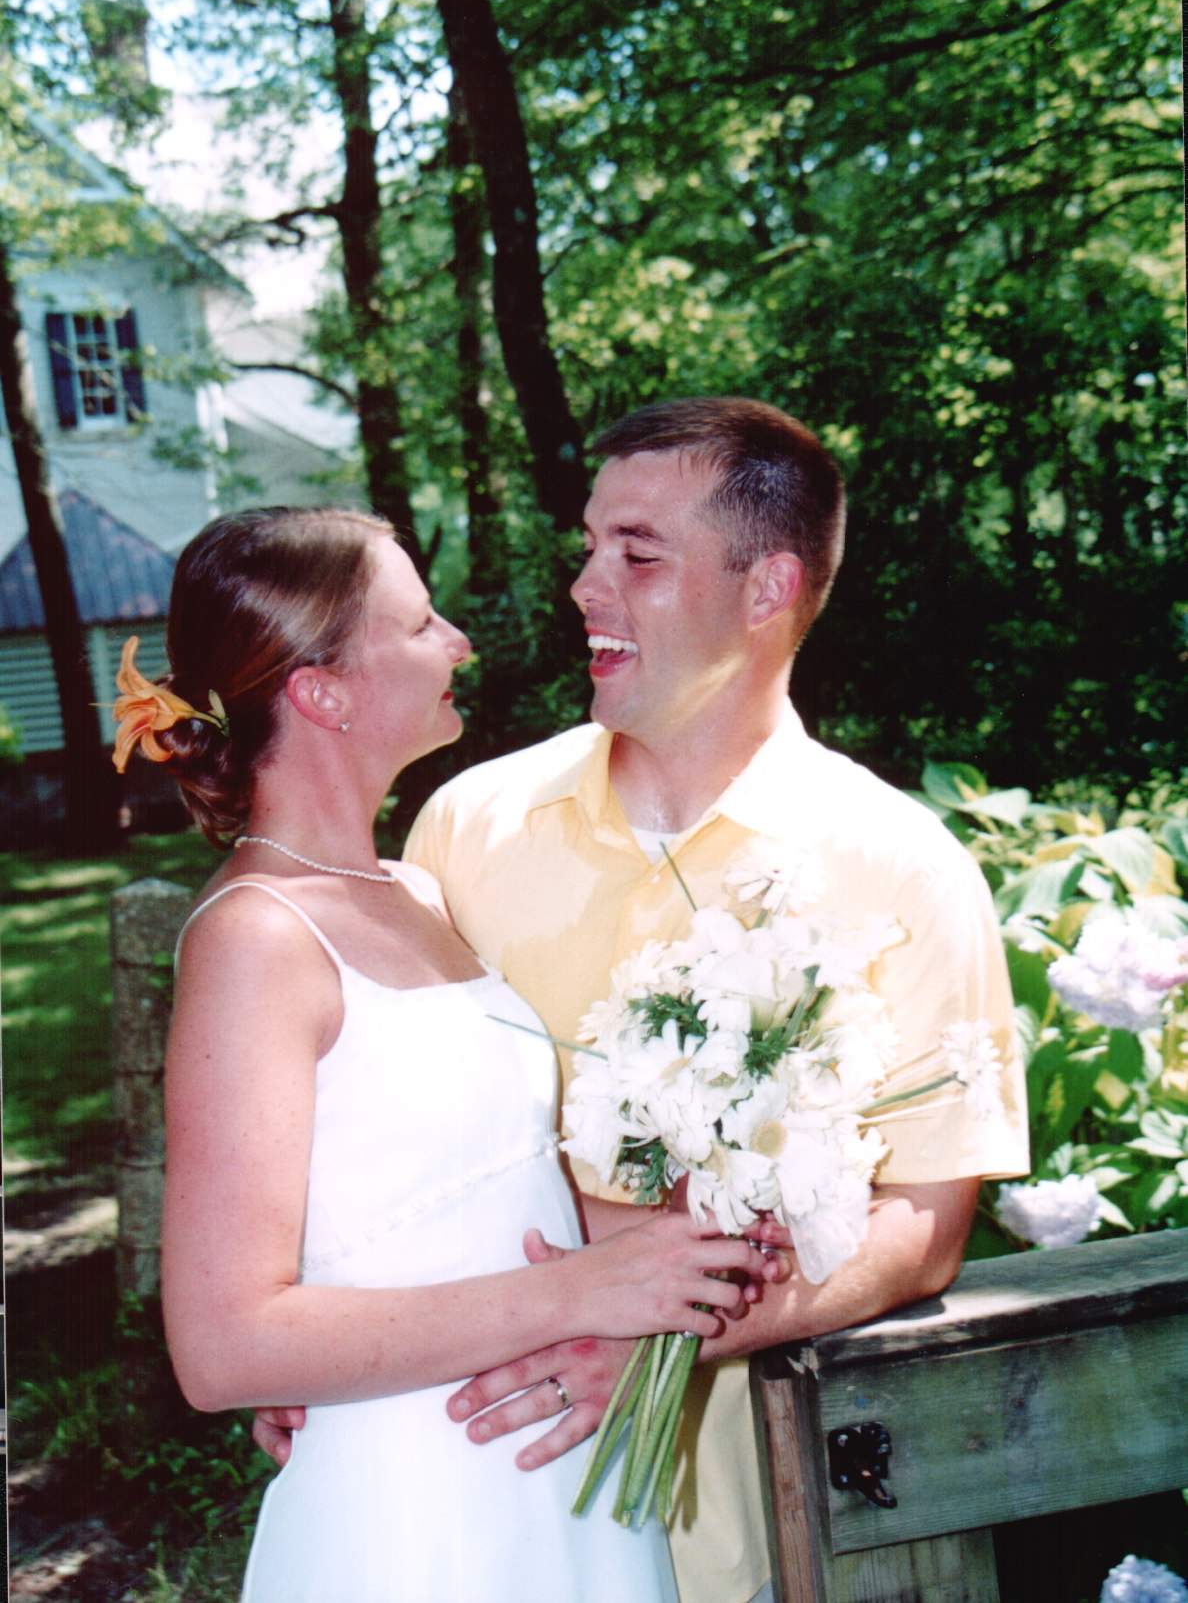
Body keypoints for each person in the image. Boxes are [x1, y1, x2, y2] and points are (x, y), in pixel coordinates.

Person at [253, 399, 1031, 1603]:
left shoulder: (905, 869)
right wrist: (322, 1328)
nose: (584, 585)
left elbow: (926, 1223)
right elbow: (377, 1121)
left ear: (767, 587)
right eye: (588, 545)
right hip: (468, 1490)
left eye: (638, 552)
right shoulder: (467, 825)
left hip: (758, 1516)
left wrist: (678, 1330)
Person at [133, 505, 785, 1603]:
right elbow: (225, 1342)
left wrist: (694, 1239)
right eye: (420, 623)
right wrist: (579, 1291)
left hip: (549, 1479)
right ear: (323, 691)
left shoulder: (415, 891)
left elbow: (462, 1195)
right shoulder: (256, 937)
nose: (459, 644)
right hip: (415, 1511)